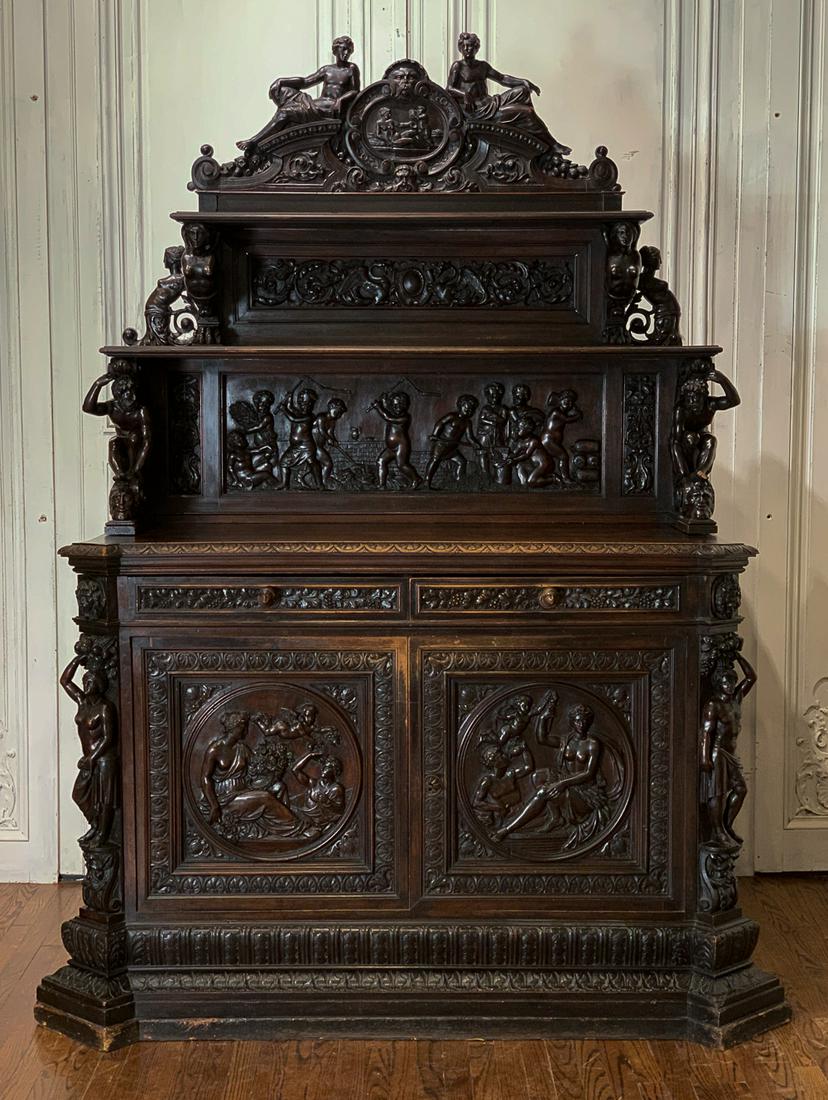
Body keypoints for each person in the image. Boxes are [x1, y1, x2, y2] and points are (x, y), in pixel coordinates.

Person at [494, 704, 611, 843]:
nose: (581, 724)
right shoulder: (567, 740)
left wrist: (561, 784)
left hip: (584, 790)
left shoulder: (592, 744)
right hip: (567, 781)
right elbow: (542, 739)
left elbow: (588, 773)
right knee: (538, 777)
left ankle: (507, 829)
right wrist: (544, 718)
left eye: (585, 721)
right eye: (578, 720)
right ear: (572, 722)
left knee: (543, 792)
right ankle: (556, 818)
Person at [446, 32, 569, 156]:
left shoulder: (482, 66)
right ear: (460, 48)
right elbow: (449, 88)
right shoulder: (458, 66)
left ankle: (535, 134)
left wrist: (523, 81)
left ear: (476, 48)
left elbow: (502, 78)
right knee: (527, 112)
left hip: (489, 103)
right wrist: (464, 94)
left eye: (471, 46)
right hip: (476, 111)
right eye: (464, 46)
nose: (467, 49)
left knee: (523, 90)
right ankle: (551, 143)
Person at [237, 36, 361, 154]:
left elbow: (356, 91)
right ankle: (263, 141)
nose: (346, 53)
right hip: (316, 104)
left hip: (329, 109)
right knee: (284, 91)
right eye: (343, 49)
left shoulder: (351, 69)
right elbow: (306, 82)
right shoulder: (327, 69)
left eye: (349, 51)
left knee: (285, 113)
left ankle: (254, 141)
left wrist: (341, 99)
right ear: (335, 50)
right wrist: (282, 81)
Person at [200, 712, 298, 831]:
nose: (246, 731)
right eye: (244, 727)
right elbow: (205, 778)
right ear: (234, 728)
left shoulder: (242, 748)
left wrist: (275, 763)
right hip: (225, 799)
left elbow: (257, 767)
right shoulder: (215, 750)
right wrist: (214, 805)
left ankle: (280, 828)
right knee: (264, 797)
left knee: (279, 787)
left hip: (244, 791)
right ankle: (295, 826)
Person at [60, 647, 117, 846]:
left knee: (104, 799)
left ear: (100, 684)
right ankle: (94, 825)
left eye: (91, 681)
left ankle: (102, 833)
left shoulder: (104, 707)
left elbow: (109, 738)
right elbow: (65, 681)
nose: (86, 684)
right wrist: (77, 660)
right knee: (80, 794)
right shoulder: (82, 702)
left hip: (102, 759)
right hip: (89, 759)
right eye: (85, 681)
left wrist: (92, 758)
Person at [700, 654, 756, 845]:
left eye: (732, 681)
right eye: (726, 682)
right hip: (718, 753)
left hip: (731, 754)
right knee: (716, 794)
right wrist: (705, 757)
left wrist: (738, 656)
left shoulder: (736, 700)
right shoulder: (713, 705)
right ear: (719, 684)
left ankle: (726, 825)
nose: (731, 685)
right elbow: (706, 733)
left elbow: (751, 677)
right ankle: (716, 831)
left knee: (740, 789)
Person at [671, 366, 740, 480]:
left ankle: (701, 472)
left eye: (697, 399)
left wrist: (723, 380)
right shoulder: (681, 410)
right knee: (690, 438)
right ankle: (689, 475)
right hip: (685, 438)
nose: (693, 402)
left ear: (704, 397)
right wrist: (682, 473)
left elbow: (734, 401)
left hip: (702, 435)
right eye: (689, 399)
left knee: (710, 440)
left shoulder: (710, 405)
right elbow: (675, 442)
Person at [426, 394, 480, 488]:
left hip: (452, 448)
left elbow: (469, 437)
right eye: (466, 408)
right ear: (460, 406)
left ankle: (459, 482)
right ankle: (427, 481)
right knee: (435, 460)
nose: (468, 411)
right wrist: (435, 434)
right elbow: (440, 423)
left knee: (462, 462)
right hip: (441, 444)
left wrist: (475, 444)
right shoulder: (452, 416)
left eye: (471, 410)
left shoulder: (467, 422)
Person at [370, 391, 422, 489]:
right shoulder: (393, 412)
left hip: (401, 446)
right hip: (391, 447)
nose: (396, 408)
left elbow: (388, 417)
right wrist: (384, 401)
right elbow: (388, 410)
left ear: (405, 405)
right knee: (381, 461)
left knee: (401, 465)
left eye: (399, 405)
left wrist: (379, 408)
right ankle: (382, 485)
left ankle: (416, 479)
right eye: (394, 405)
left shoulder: (405, 417)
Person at [277, 387, 322, 489]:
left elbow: (293, 418)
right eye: (300, 402)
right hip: (296, 446)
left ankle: (320, 484)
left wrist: (283, 410)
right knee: (284, 462)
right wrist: (289, 398)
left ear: (311, 404)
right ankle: (284, 483)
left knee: (312, 463)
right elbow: (290, 407)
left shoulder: (309, 417)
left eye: (305, 403)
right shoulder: (298, 412)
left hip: (306, 446)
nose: (303, 405)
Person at [541, 390, 583, 481]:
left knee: (550, 461)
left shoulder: (562, 412)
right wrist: (577, 415)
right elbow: (567, 420)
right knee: (563, 457)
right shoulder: (556, 412)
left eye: (571, 402)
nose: (568, 404)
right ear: (560, 401)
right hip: (548, 440)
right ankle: (566, 479)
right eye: (565, 401)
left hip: (551, 441)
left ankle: (551, 477)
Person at [312, 397, 347, 487]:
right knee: (328, 463)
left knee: (321, 463)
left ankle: (322, 481)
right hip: (313, 445)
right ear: (331, 407)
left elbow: (330, 433)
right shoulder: (321, 417)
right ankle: (323, 482)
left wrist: (334, 440)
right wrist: (329, 439)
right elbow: (322, 431)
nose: (339, 415)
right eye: (337, 412)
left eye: (340, 413)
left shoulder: (332, 422)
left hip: (319, 445)